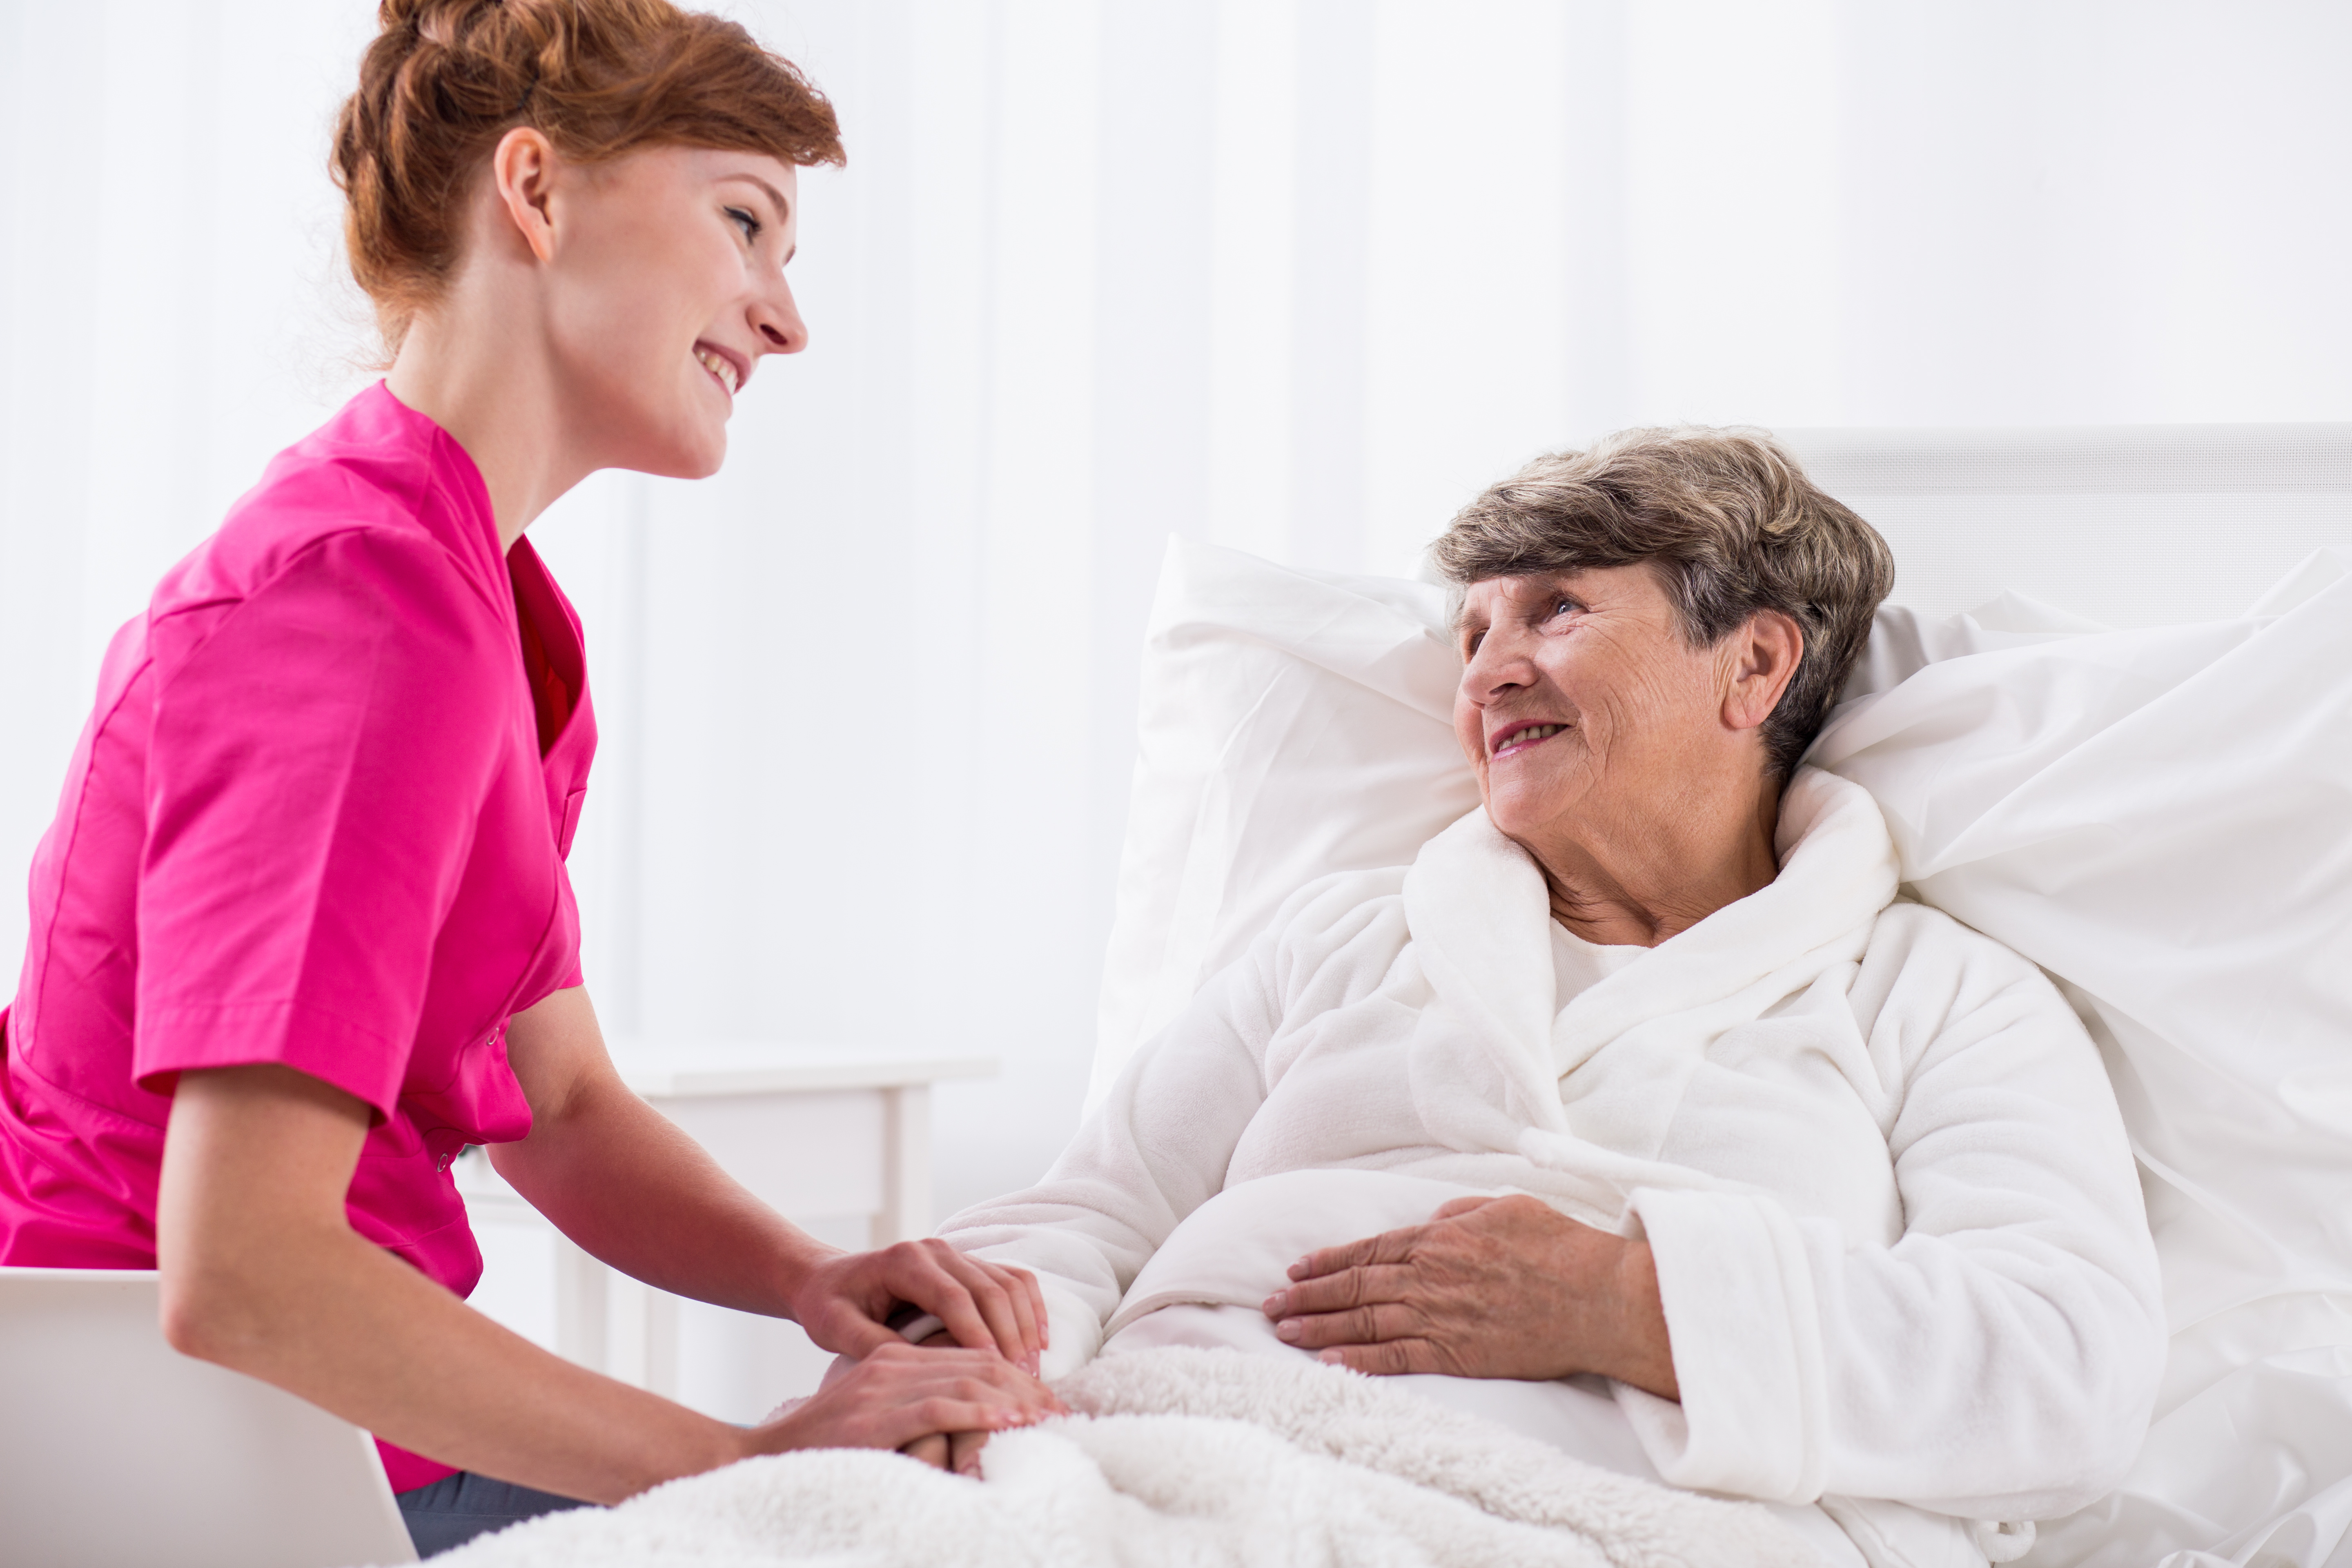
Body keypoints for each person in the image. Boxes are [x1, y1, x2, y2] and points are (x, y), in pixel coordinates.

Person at [0, 0, 1056, 1556]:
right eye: (746, 221)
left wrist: (804, 1281)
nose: (785, 319)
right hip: (208, 1463)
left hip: (301, 1430)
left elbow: (554, 1101)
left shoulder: (474, 598)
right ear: (538, 192)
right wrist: (747, 1457)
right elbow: (244, 1272)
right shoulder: (353, 604)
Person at [937, 428, 2168, 1567]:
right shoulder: (1343, 941)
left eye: (1557, 611)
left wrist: (1626, 1305)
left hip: (1608, 1525)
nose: (1487, 676)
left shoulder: (1934, 994)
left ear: (1754, 662)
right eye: (1473, 635)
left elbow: (2068, 1363)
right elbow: (1085, 1223)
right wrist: (949, 1366)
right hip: (1172, 1459)